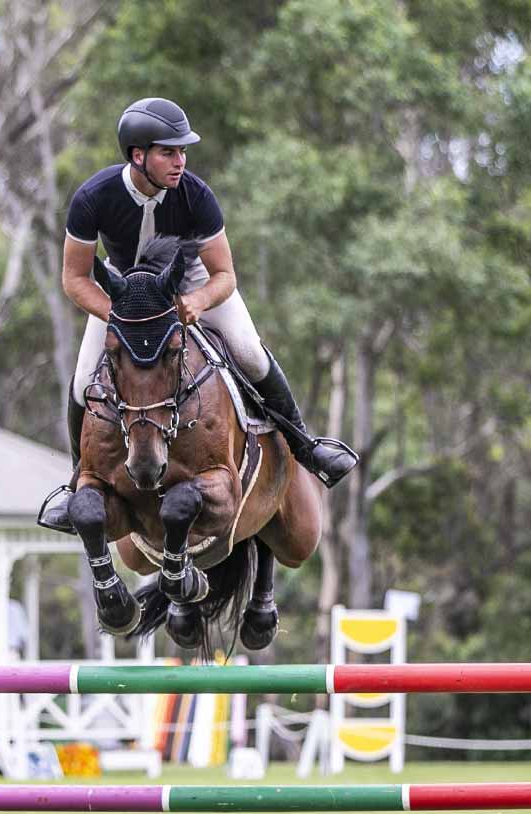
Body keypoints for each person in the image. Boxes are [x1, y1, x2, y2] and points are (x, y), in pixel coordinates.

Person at [38, 97, 358, 534]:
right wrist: (119, 315)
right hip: (122, 293)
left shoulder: (196, 195)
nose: (180, 161)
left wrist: (201, 301)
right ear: (138, 155)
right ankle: (78, 480)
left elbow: (225, 273)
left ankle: (304, 446)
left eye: (183, 151)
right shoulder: (94, 197)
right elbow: (75, 279)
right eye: (169, 151)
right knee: (81, 383)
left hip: (189, 281)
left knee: (249, 351)